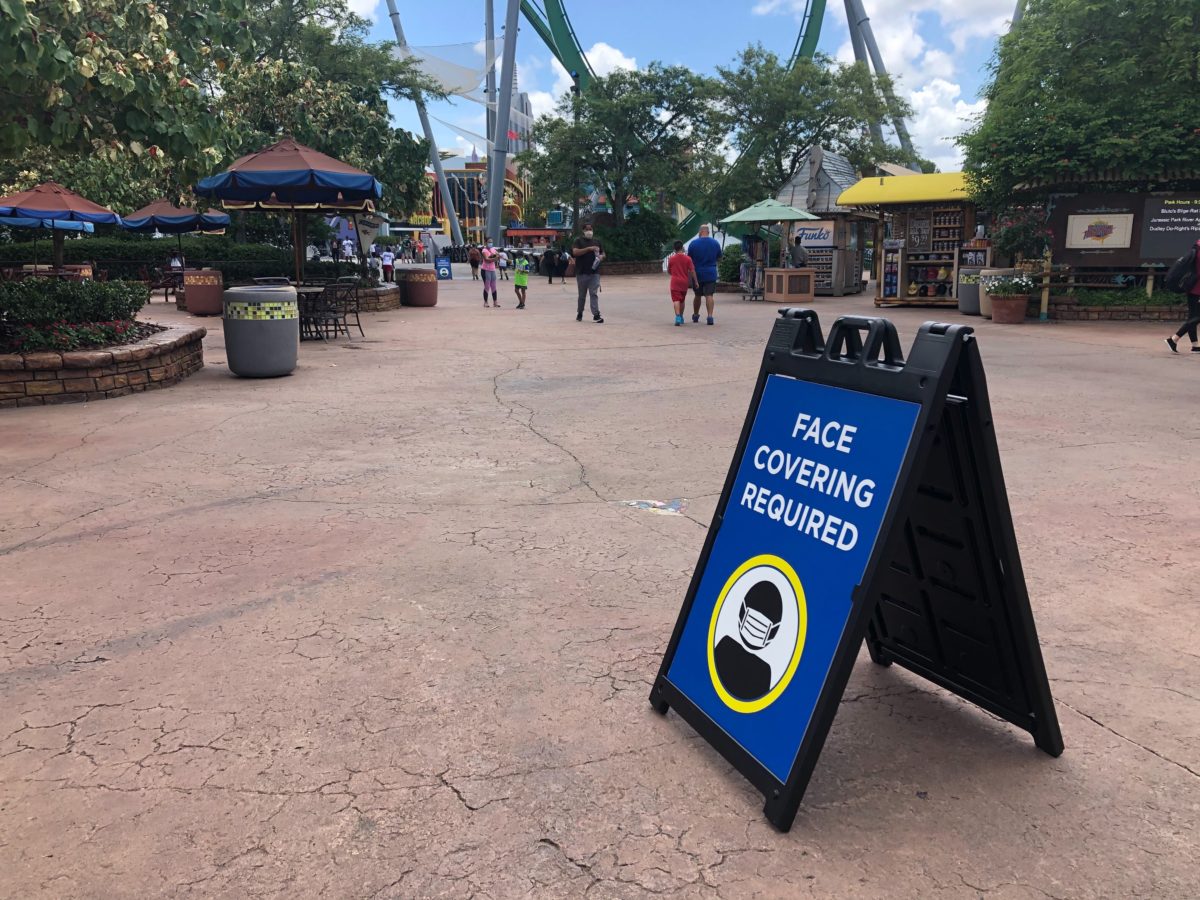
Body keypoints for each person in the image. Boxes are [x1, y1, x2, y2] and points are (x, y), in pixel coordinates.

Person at [1166, 238, 1200, 353]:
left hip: (1191, 286)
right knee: (1197, 317)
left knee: (1193, 317)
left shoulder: (1196, 247)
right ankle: (1174, 339)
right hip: (1198, 288)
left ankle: (1195, 345)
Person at [687, 225, 723, 325]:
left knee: (697, 295)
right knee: (709, 295)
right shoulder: (715, 243)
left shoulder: (693, 244)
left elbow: (689, 259)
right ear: (708, 232)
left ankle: (695, 315)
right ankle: (710, 316)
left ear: (700, 231)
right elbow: (719, 258)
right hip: (711, 272)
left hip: (697, 273)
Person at [572, 229, 604, 323]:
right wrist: (588, 249)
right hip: (582, 272)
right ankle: (580, 312)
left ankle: (596, 314)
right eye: (587, 229)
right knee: (582, 295)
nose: (589, 231)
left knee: (593, 293)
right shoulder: (578, 241)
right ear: (583, 230)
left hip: (595, 272)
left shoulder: (597, 241)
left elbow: (603, 252)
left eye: (591, 229)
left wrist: (602, 256)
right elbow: (575, 252)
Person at [666, 241, 699, 326]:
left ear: (674, 249)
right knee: (682, 300)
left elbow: (669, 270)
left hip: (675, 282)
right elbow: (692, 271)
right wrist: (696, 281)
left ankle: (677, 317)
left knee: (676, 300)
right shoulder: (688, 258)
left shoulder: (671, 259)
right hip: (684, 282)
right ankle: (681, 316)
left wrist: (673, 273)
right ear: (682, 247)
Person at [480, 239, 500, 307]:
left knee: (494, 286)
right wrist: (495, 258)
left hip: (492, 270)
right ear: (486, 242)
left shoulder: (493, 249)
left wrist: (496, 257)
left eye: (491, 242)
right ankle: (485, 302)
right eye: (489, 242)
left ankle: (495, 302)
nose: (490, 243)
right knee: (487, 286)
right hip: (485, 270)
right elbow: (486, 259)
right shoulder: (484, 250)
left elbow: (498, 255)